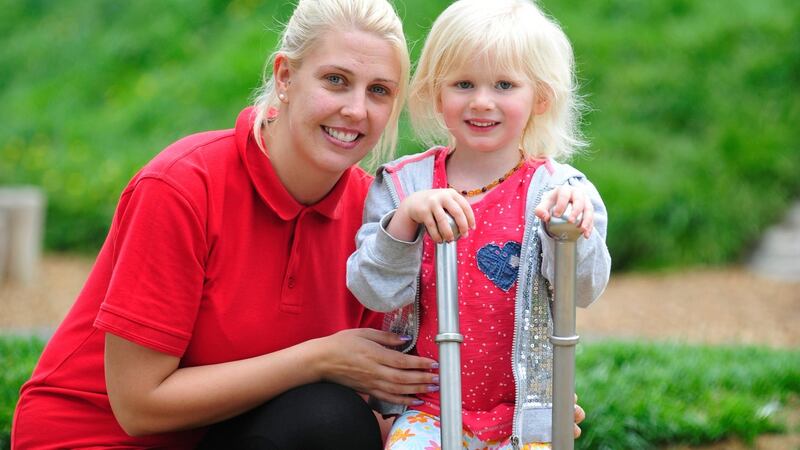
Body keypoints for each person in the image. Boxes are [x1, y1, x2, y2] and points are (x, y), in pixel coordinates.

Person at [12, 1, 439, 448]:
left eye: (379, 91)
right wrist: (317, 359)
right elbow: (137, 405)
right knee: (329, 416)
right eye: (336, 80)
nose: (355, 109)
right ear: (285, 77)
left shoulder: (378, 217)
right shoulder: (183, 185)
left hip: (226, 436)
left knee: (335, 418)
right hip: (94, 438)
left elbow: (378, 397)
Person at [346, 0, 611, 448]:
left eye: (505, 84)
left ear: (540, 97)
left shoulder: (560, 189)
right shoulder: (403, 184)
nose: (482, 101)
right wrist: (406, 219)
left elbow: (584, 289)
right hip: (427, 407)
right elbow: (372, 288)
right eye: (463, 84)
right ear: (437, 93)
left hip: (524, 411)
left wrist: (569, 229)